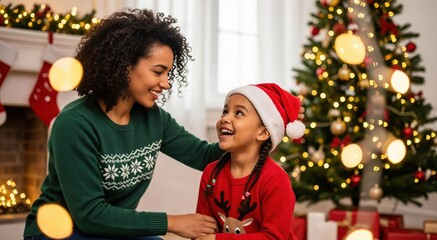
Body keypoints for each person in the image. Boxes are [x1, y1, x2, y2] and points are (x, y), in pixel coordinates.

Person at [23, 8, 223, 240]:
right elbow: (90, 214)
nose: (166, 83)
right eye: (158, 72)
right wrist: (173, 222)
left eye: (168, 73)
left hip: (108, 230)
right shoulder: (74, 124)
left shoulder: (154, 118)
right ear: (124, 65)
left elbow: (203, 156)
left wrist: (238, 136)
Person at [195, 83, 305, 240]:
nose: (225, 118)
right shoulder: (211, 173)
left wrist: (218, 239)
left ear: (263, 132)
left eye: (238, 113)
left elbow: (273, 237)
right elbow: (202, 228)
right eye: (225, 111)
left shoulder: (276, 180)